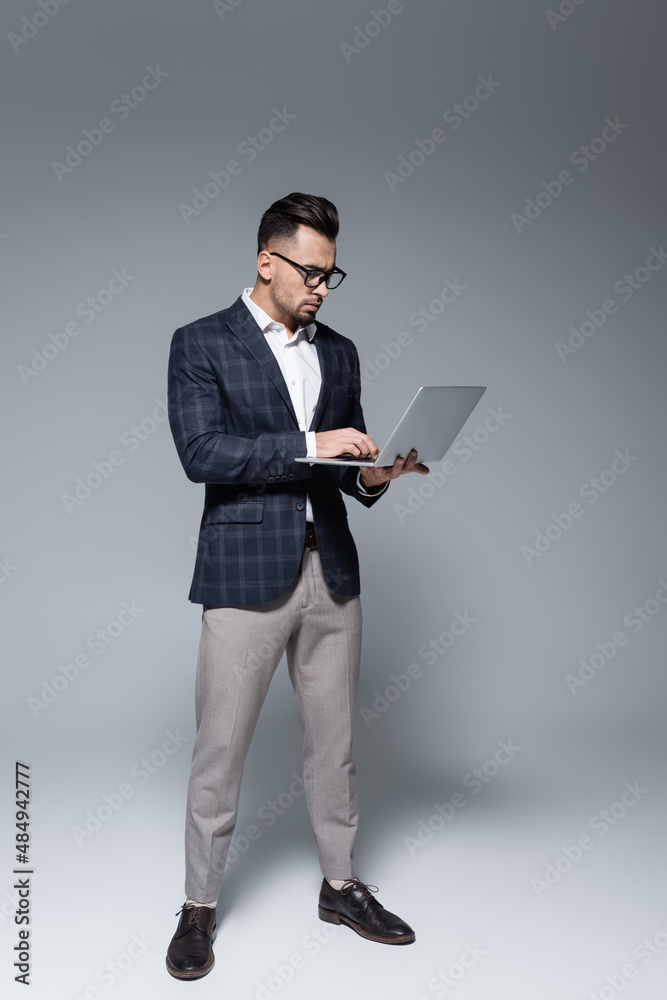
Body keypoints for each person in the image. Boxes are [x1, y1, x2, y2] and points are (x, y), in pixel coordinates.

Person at [165, 192, 429, 980]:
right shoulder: (200, 342)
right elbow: (202, 454)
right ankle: (199, 906)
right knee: (221, 748)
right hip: (244, 572)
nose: (320, 286)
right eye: (310, 271)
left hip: (331, 570)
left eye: (331, 273)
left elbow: (340, 467)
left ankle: (340, 886)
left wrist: (374, 474)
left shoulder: (338, 351)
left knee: (336, 745)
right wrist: (313, 442)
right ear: (265, 261)